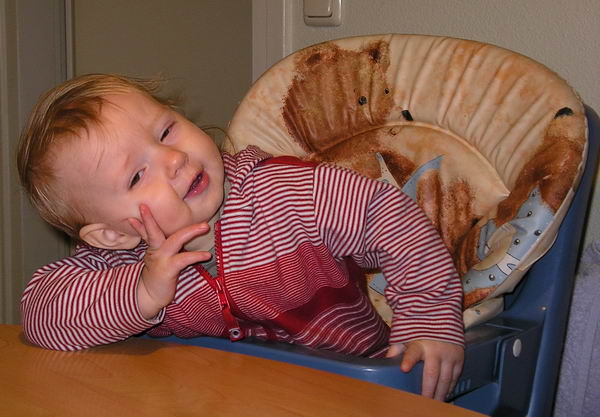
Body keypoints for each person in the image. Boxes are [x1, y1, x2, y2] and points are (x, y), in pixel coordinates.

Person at [17, 74, 464, 400]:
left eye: (166, 131)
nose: (173, 158)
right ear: (111, 234)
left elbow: (389, 217)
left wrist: (427, 316)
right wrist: (142, 292)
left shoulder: (288, 194)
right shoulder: (123, 263)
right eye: (137, 175)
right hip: (222, 398)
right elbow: (40, 313)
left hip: (350, 389)